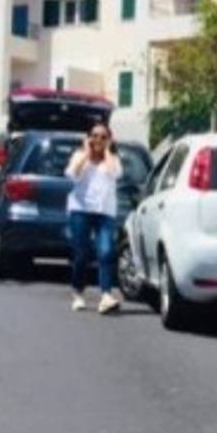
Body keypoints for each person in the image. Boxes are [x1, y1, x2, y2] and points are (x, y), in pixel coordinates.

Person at [65, 122, 122, 314]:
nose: (98, 140)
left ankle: (106, 295)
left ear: (109, 140)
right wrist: (87, 154)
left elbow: (114, 173)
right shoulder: (79, 157)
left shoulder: (112, 160)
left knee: (106, 251)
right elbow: (72, 175)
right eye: (95, 136)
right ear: (88, 138)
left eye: (103, 137)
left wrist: (106, 151)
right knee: (82, 254)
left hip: (104, 212)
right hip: (80, 210)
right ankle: (78, 292)